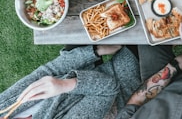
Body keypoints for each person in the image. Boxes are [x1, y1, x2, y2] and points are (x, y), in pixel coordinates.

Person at [0, 45, 140, 119]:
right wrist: (62, 85)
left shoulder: (3, 107)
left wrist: (93, 52)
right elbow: (108, 88)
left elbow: (48, 71)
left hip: (85, 70)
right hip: (122, 76)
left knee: (81, 16)